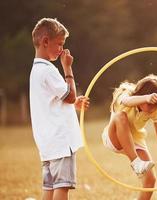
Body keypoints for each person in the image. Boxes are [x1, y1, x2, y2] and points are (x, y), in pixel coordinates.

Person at [29, 18, 89, 200]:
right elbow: (70, 95)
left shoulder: (36, 71)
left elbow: (58, 100)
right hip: (61, 142)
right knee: (62, 188)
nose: (62, 49)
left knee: (50, 188)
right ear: (45, 41)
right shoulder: (49, 70)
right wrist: (67, 68)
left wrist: (74, 103)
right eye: (59, 44)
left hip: (47, 143)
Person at [101, 74, 157, 200]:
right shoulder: (126, 94)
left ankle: (138, 164)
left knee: (150, 181)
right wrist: (146, 98)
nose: (153, 109)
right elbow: (127, 101)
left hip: (135, 141)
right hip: (114, 138)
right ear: (141, 94)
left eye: (156, 106)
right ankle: (136, 162)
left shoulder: (154, 109)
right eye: (150, 105)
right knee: (120, 116)